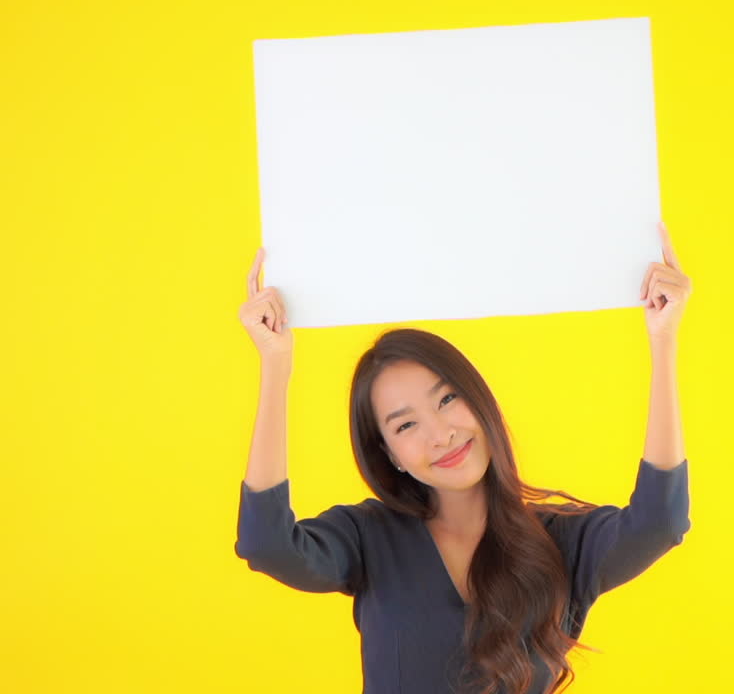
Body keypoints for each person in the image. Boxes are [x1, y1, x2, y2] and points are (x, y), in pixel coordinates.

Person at [234, 221, 693, 694]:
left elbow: (661, 523)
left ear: (479, 400)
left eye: (448, 399)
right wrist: (276, 365)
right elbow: (267, 545)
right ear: (389, 454)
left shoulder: (561, 542)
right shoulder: (369, 537)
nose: (441, 434)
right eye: (406, 425)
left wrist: (663, 341)